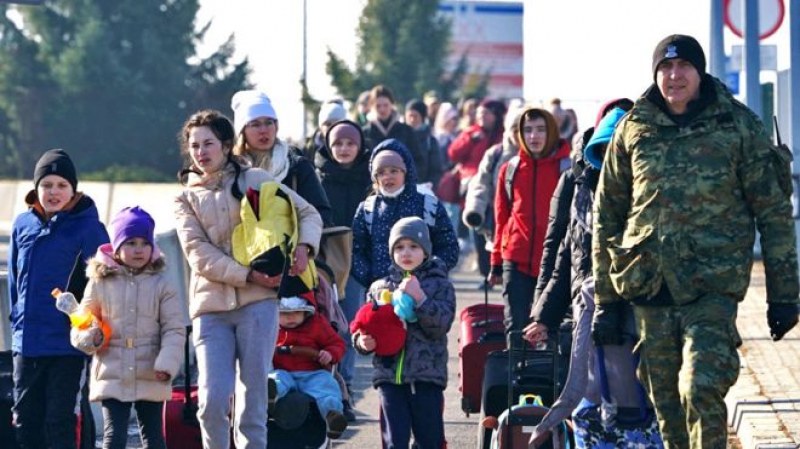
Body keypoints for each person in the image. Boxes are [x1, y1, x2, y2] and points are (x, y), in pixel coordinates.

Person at [591, 34, 800, 449]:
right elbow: (607, 214)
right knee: (666, 403)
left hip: (712, 288)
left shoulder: (737, 124)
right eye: (665, 68)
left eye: (684, 66)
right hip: (650, 286)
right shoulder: (634, 127)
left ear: (700, 72)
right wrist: (606, 300)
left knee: (700, 387)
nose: (674, 75)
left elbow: (773, 213)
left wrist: (784, 294)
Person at [174, 109, 323, 449]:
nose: (201, 152)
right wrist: (248, 274)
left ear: (226, 145)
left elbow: (308, 213)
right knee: (211, 401)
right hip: (210, 307)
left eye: (208, 143)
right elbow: (198, 253)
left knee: (253, 399)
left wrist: (304, 247)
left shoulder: (254, 179)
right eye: (194, 146)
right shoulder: (184, 197)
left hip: (259, 303)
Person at [8, 148, 110, 449]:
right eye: (47, 185)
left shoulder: (90, 229)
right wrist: (17, 322)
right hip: (26, 343)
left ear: (73, 189)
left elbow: (105, 285)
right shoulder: (21, 225)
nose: (54, 192)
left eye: (62, 185)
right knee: (26, 421)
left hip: (68, 345)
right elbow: (15, 282)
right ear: (36, 188)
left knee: (60, 422)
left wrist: (91, 329)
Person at [524, 99, 634, 345]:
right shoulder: (577, 184)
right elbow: (559, 252)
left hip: (636, 312)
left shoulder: (646, 190)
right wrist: (543, 316)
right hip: (584, 303)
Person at [78, 206, 186, 449]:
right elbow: (83, 322)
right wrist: (90, 338)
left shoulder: (162, 284)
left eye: (144, 243)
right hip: (112, 369)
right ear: (116, 247)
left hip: (152, 369)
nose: (138, 249)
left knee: (153, 437)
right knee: (113, 436)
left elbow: (174, 329)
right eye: (130, 243)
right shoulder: (99, 283)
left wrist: (167, 363)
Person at [352, 217, 456, 448]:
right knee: (394, 441)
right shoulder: (380, 287)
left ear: (426, 251)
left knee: (430, 440)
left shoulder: (440, 285)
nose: (406, 252)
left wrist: (420, 299)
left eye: (413, 246)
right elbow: (363, 324)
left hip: (426, 377)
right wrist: (362, 342)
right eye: (399, 247)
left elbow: (441, 324)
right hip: (389, 377)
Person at [487, 107, 570, 334]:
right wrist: (496, 260)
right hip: (516, 260)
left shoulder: (567, 169)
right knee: (515, 329)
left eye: (541, 130)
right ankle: (515, 371)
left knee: (550, 331)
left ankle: (548, 371)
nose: (534, 136)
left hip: (555, 264)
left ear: (552, 132)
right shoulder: (510, 169)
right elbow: (501, 218)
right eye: (528, 130)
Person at [313, 119, 373, 421]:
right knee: (322, 327)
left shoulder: (370, 176)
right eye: (338, 143)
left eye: (350, 143)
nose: (344, 149)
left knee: (350, 326)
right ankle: (323, 390)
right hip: (324, 262)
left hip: (358, 262)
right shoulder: (316, 176)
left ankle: (345, 389)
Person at [351, 138, 458, 288]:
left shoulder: (428, 205)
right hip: (381, 292)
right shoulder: (368, 209)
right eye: (381, 172)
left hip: (423, 291)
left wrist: (430, 274)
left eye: (394, 171)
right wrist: (371, 279)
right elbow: (356, 250)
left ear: (406, 172)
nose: (388, 176)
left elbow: (448, 246)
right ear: (375, 178)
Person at [231, 89, 333, 227]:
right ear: (242, 131)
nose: (263, 130)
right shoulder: (232, 170)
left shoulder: (296, 166)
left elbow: (322, 215)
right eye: (255, 124)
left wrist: (302, 242)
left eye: (269, 122)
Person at [269, 292, 348, 439]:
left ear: (306, 312)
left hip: (312, 372)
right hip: (283, 370)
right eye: (284, 314)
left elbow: (337, 343)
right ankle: (271, 394)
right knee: (276, 378)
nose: (290, 318)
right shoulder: (272, 328)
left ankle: (333, 415)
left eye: (296, 312)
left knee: (327, 384)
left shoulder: (317, 324)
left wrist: (329, 353)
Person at [462, 106, 523, 289]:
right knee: (490, 248)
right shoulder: (495, 154)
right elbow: (481, 183)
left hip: (522, 216)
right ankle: (489, 275)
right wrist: (475, 210)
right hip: (497, 213)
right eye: (515, 130)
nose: (519, 135)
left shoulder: (540, 157)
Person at [362, 85, 420, 162]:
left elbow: (417, 159)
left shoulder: (406, 131)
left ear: (392, 105)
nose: (382, 109)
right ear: (372, 107)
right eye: (378, 106)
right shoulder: (365, 133)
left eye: (386, 105)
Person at [404, 98, 444, 187]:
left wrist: (430, 185)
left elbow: (436, 169)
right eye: (409, 116)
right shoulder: (400, 137)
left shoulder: (430, 140)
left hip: (423, 188)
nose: (411, 119)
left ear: (422, 117)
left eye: (415, 116)